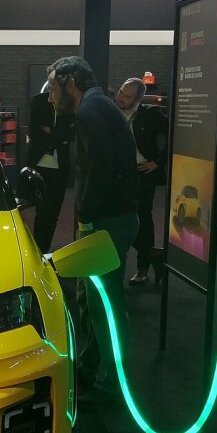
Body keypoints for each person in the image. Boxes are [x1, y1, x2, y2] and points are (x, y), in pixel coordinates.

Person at [47, 56, 138, 392]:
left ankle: (112, 382)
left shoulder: (89, 112)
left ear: (70, 83)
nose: (50, 97)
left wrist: (85, 215)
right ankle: (93, 367)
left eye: (53, 88)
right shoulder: (102, 106)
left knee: (104, 306)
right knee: (97, 299)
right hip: (115, 219)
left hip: (106, 223)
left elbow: (98, 169)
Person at [114, 78, 168, 285]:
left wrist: (157, 162)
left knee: (143, 219)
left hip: (143, 173)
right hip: (118, 175)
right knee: (119, 217)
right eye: (121, 92)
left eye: (127, 96)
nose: (121, 98)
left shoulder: (151, 115)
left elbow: (175, 135)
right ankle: (153, 253)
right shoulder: (112, 113)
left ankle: (143, 267)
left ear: (138, 99)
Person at [25, 85, 73, 252]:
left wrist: (50, 132)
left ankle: (43, 249)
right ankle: (36, 249)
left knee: (52, 212)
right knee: (37, 209)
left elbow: (70, 134)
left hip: (60, 166)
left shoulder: (69, 105)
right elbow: (34, 132)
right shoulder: (38, 102)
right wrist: (58, 135)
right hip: (38, 164)